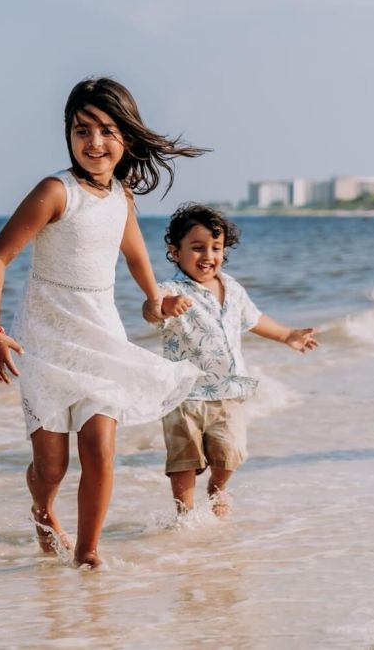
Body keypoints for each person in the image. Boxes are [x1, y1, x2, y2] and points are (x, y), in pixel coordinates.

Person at [0, 77, 207, 567]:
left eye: (106, 130)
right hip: (45, 337)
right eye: (82, 130)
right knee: (53, 466)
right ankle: (42, 509)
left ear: (126, 136)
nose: (95, 142)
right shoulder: (55, 192)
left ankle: (88, 553)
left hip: (100, 335)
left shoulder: (122, 196)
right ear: (68, 135)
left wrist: (155, 298)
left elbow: (135, 254)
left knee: (100, 446)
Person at [145, 204, 319, 518]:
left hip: (229, 391)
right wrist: (165, 306)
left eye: (216, 248)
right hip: (184, 396)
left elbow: (253, 319)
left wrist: (287, 335)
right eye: (197, 248)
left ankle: (217, 487)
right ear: (175, 251)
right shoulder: (169, 290)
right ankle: (185, 514)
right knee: (183, 460)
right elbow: (150, 309)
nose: (208, 256)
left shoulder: (232, 287)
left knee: (231, 453)